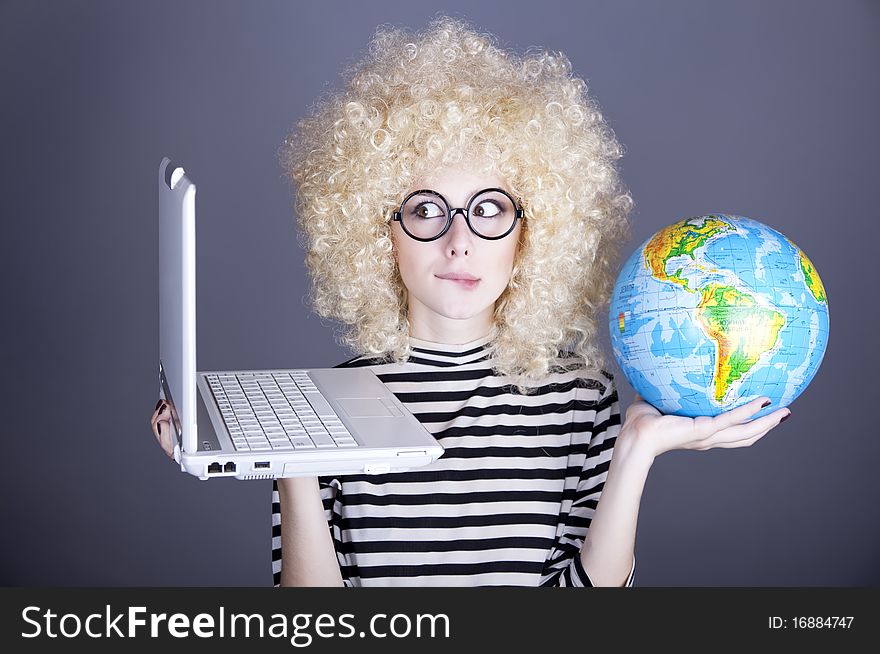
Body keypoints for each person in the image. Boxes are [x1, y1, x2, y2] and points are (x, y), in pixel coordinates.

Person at [150, 16, 790, 587]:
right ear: (380, 233)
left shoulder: (580, 401)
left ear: (530, 234)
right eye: (426, 210)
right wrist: (290, 459)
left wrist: (635, 450)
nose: (460, 243)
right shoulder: (322, 408)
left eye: (489, 210)